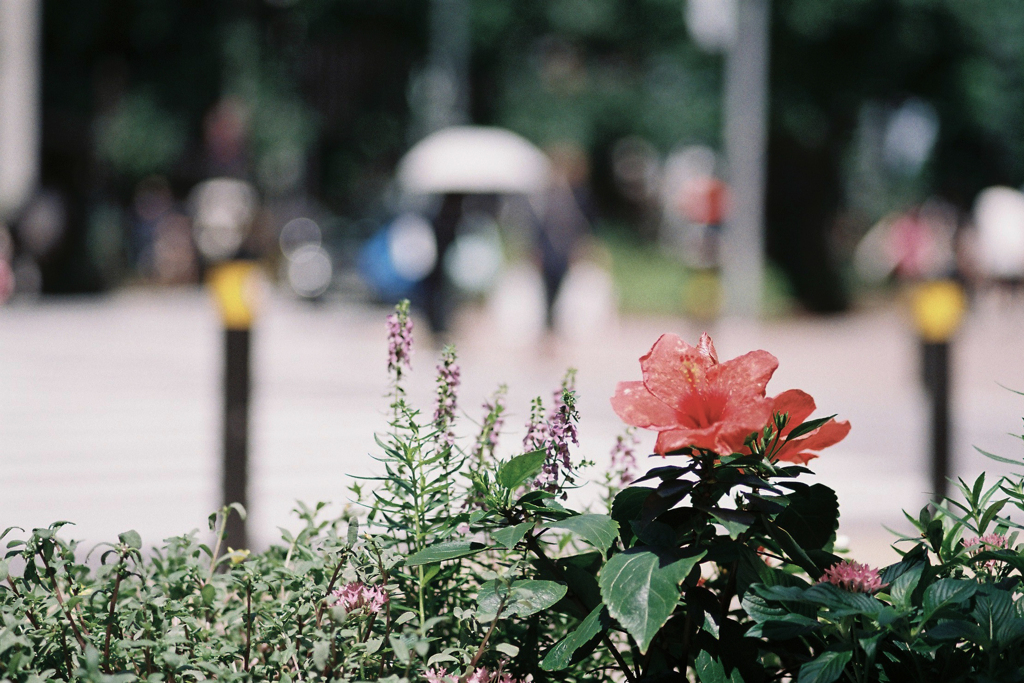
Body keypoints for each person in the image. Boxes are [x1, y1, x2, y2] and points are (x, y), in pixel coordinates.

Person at [535, 143, 592, 331]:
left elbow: (583, 225)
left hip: (565, 250)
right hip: (549, 249)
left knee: (561, 292)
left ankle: (555, 328)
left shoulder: (577, 194)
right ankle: (548, 328)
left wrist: (581, 247)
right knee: (546, 293)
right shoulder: (544, 195)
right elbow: (538, 226)